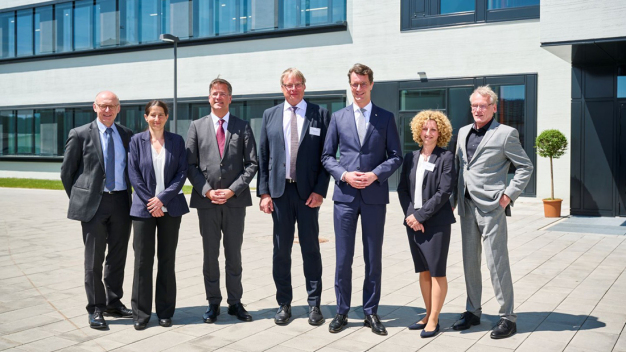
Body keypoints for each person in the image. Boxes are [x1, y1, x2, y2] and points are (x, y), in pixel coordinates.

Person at [321, 63, 403, 336]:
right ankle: (342, 311)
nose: (358, 88)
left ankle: (370, 311)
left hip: (374, 198)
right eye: (354, 84)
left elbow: (395, 156)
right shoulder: (338, 117)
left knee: (373, 257)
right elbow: (327, 157)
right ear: (350, 85)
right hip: (344, 198)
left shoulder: (386, 117)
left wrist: (375, 175)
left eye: (363, 84)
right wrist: (344, 174)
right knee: (343, 258)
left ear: (371, 85)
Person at [452, 85, 533, 339]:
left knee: (496, 262)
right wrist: (454, 199)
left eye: (483, 105)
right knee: (470, 262)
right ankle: (472, 311)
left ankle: (507, 317)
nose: (477, 109)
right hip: (466, 207)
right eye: (474, 105)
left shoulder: (506, 134)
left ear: (493, 108)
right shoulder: (463, 131)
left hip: (491, 208)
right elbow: (458, 167)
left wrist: (508, 195)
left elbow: (525, 166)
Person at [257, 68, 331, 326]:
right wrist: (264, 192)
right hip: (279, 193)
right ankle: (284, 303)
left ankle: (314, 304)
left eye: (298, 84)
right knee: (281, 251)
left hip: (308, 194)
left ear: (304, 86)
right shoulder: (270, 115)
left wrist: (320, 191)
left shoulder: (320, 114)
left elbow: (327, 157)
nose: (293, 89)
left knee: (311, 249)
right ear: (282, 88)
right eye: (288, 85)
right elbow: (263, 156)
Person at [186, 78, 258, 324]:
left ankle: (235, 302)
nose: (219, 97)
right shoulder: (196, 126)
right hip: (207, 203)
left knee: (233, 254)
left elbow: (252, 164)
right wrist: (206, 190)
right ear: (209, 98)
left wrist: (232, 190)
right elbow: (190, 165)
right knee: (210, 254)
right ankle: (213, 303)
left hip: (234, 202)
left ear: (230, 98)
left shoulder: (242, 126)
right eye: (215, 93)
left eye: (223, 94)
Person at [60, 91, 134, 329]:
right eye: (103, 106)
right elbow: (67, 172)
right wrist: (81, 200)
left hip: (122, 202)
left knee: (117, 257)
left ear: (119, 108)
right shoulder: (80, 134)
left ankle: (114, 303)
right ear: (95, 107)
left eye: (112, 106)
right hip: (94, 205)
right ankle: (95, 309)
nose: (107, 110)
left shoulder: (126, 135)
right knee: (93, 260)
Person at [127, 100, 189, 330]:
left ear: (166, 116)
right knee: (142, 262)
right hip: (143, 210)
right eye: (152, 114)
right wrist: (150, 201)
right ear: (146, 117)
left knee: (166, 260)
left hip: (171, 208)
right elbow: (133, 173)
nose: (156, 119)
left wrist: (162, 198)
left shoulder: (177, 141)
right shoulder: (136, 141)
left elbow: (182, 173)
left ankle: (165, 311)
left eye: (160, 114)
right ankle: (141, 313)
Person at [397, 110, 455, 338]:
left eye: (433, 129)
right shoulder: (410, 157)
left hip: (436, 223)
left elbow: (444, 192)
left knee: (436, 272)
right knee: (423, 270)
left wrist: (421, 217)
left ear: (440, 132)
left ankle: (434, 319)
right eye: (424, 129)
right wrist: (411, 216)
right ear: (418, 130)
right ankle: (428, 312)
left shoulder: (446, 157)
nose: (428, 133)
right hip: (413, 223)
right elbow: (402, 189)